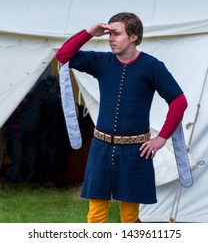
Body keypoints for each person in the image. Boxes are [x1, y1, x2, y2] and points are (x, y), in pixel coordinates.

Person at [56, 12, 188, 223]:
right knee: (96, 215)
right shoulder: (101, 61)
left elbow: (179, 101)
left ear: (133, 36)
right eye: (109, 34)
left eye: (116, 34)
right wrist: (90, 32)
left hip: (136, 151)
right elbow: (63, 56)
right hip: (101, 147)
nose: (110, 39)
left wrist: (162, 137)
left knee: (129, 218)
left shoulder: (152, 66)